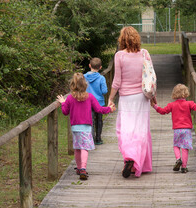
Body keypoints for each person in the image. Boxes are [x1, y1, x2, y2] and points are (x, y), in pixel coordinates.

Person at [108, 26, 154, 178]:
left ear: (122, 40)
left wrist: (110, 98)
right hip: (142, 97)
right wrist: (153, 97)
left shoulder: (119, 56)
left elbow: (117, 81)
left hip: (126, 98)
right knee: (141, 130)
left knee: (126, 129)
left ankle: (129, 157)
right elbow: (150, 77)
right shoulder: (144, 53)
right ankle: (140, 163)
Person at [57, 73, 115, 180]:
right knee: (84, 148)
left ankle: (79, 168)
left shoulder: (70, 98)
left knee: (77, 148)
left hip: (75, 127)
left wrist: (63, 103)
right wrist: (109, 109)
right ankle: (83, 168)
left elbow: (65, 112)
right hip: (86, 127)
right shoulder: (90, 97)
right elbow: (99, 109)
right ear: (85, 85)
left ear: (72, 85)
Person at [150, 84, 196, 173]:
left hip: (177, 130)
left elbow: (163, 111)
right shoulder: (189, 103)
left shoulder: (172, 105)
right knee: (185, 148)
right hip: (187, 130)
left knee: (176, 146)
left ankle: (178, 159)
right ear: (186, 93)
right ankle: (184, 167)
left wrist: (154, 106)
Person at [84, 57, 108, 145]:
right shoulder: (101, 78)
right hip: (99, 102)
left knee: (90, 120)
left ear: (89, 65)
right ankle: (98, 138)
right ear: (100, 67)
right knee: (99, 120)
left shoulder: (83, 77)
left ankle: (91, 139)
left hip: (87, 102)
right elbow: (104, 91)